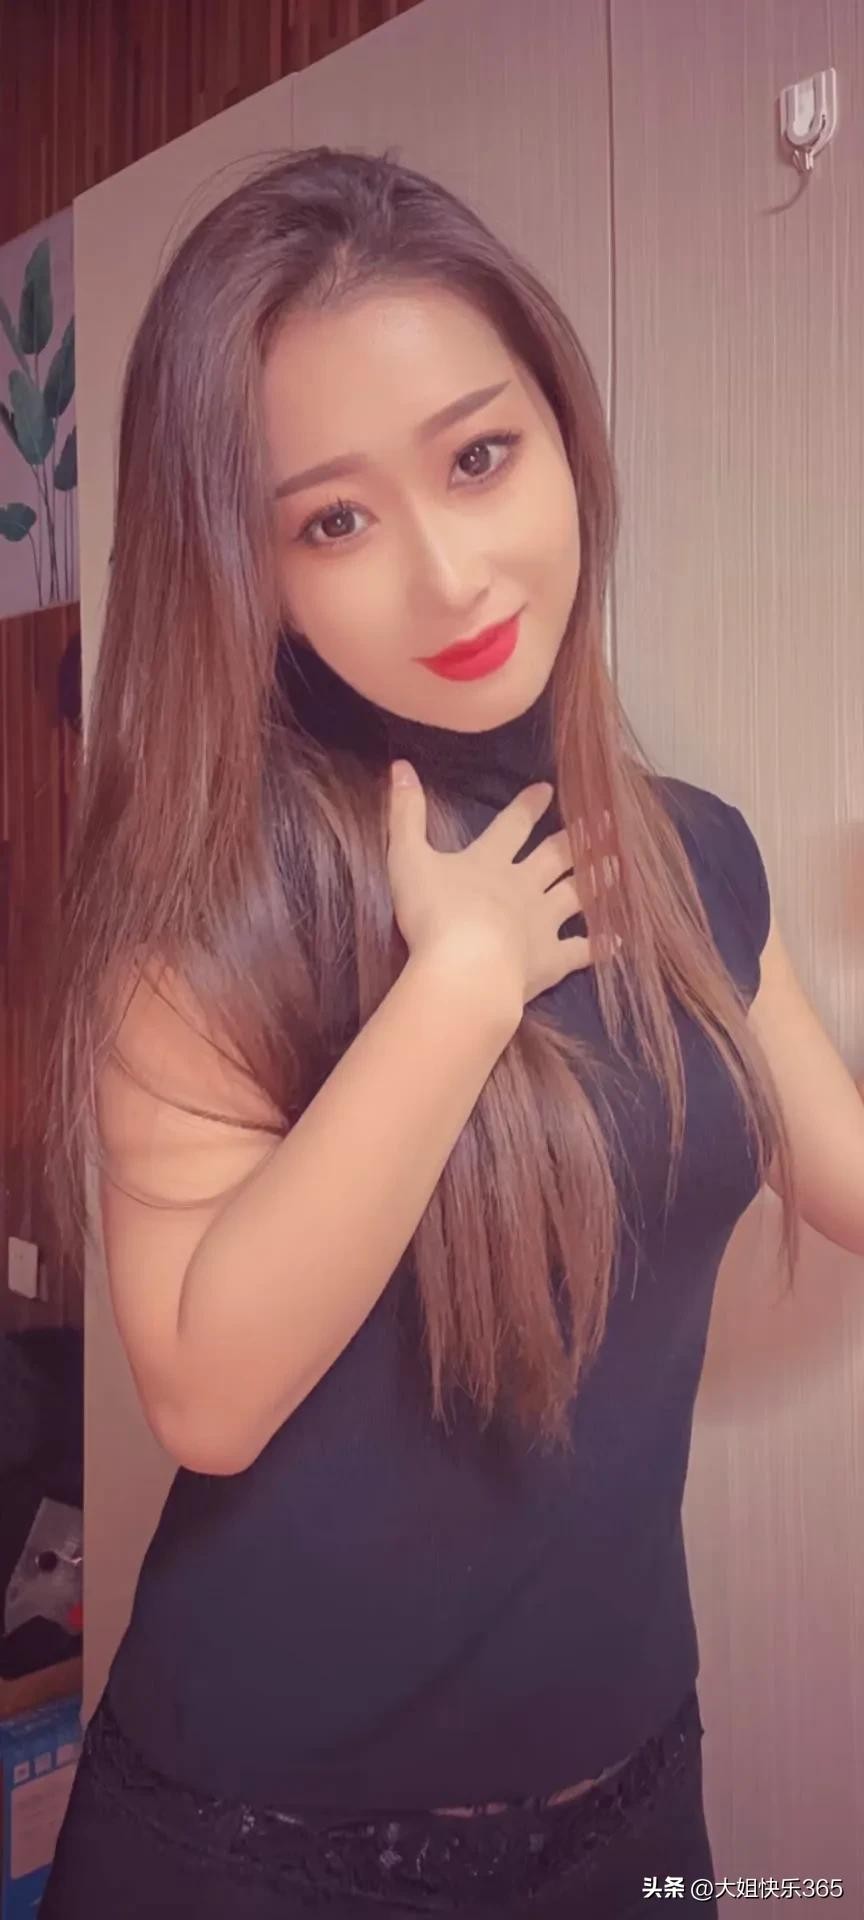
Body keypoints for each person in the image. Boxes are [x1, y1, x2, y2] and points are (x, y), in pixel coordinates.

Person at [36, 145, 802, 1917]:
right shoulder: (209, 910)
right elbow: (205, 1393)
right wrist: (458, 988)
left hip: (631, 1809)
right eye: (333, 520)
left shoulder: (690, 854)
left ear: (563, 431)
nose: (452, 577)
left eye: (477, 457)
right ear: (251, 571)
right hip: (258, 1852)